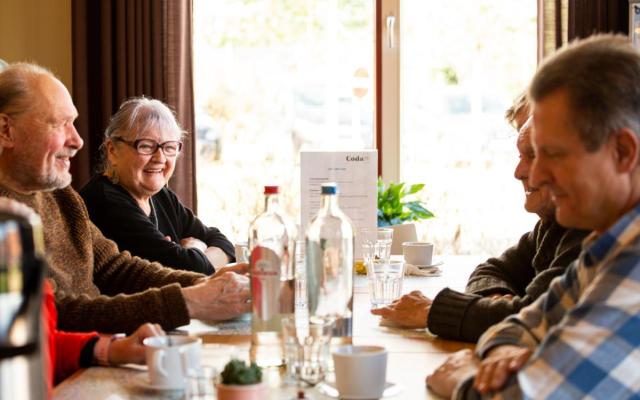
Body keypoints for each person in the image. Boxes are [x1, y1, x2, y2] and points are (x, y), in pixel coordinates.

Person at [427, 34, 640, 399]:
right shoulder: (607, 245)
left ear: (622, 152)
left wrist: (463, 380)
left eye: (553, 154)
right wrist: (506, 353)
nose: (536, 175)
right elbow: (515, 326)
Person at [0, 62, 250, 334]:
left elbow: (114, 267)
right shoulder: (8, 218)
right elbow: (54, 312)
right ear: (5, 130)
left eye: (73, 123)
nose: (77, 141)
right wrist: (188, 300)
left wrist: (199, 285)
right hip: (67, 365)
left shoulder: (61, 195)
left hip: (100, 349)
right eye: (60, 124)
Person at [370, 96, 588, 343]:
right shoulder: (553, 224)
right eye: (521, 155)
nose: (519, 172)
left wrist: (432, 311)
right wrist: (493, 301)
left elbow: (533, 320)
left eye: (535, 154)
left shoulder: (588, 231)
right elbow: (492, 269)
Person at [80, 97, 233, 275]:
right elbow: (189, 268)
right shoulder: (104, 201)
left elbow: (223, 244)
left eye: (169, 147)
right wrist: (197, 249)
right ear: (112, 151)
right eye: (145, 146)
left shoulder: (162, 197)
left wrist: (188, 255)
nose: (160, 158)